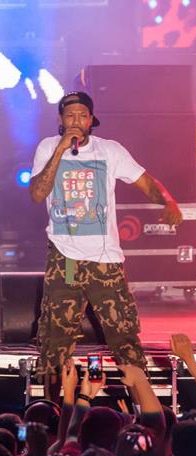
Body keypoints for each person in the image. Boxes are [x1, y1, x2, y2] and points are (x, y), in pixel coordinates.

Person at [29, 90, 182, 380]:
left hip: (105, 260)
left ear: (91, 120)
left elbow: (145, 182)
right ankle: (50, 403)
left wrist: (167, 201)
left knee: (123, 334)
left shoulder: (110, 150)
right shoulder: (48, 148)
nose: (76, 121)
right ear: (61, 120)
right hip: (65, 258)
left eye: (82, 116)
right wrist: (60, 150)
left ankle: (140, 401)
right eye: (70, 116)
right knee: (55, 338)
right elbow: (37, 193)